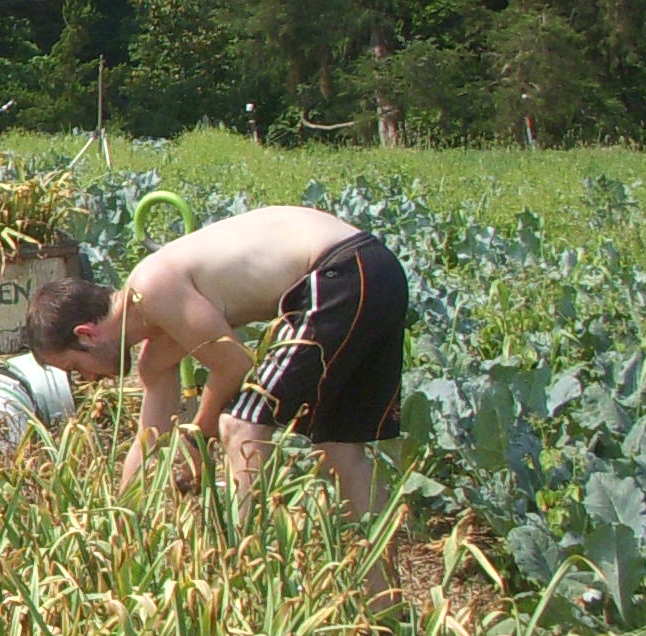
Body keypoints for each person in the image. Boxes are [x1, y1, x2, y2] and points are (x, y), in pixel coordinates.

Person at [25, 205, 410, 517]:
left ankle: (242, 575)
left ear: (87, 334)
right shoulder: (156, 349)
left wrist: (199, 434)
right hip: (374, 271)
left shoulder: (152, 287)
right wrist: (126, 519)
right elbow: (148, 439)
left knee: (241, 426)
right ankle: (384, 602)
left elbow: (235, 365)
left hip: (340, 271)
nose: (88, 380)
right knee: (340, 450)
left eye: (77, 368)